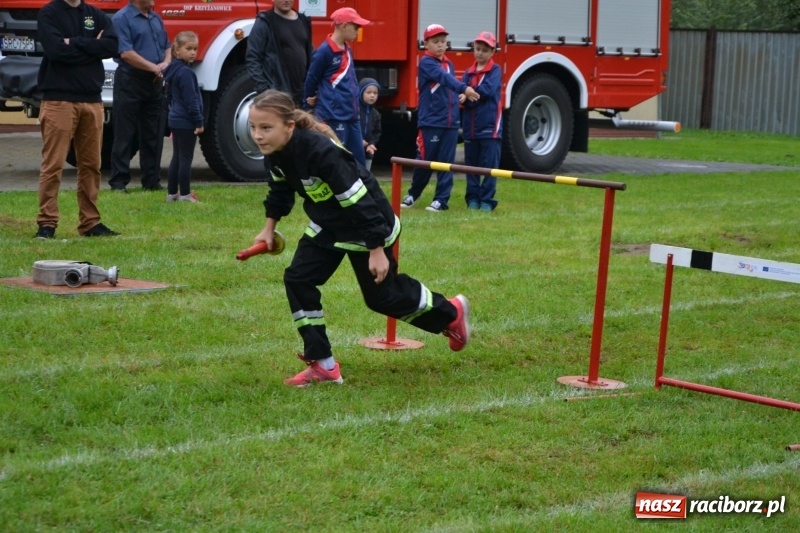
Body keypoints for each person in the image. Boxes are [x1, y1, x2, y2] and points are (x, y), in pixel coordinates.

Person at [248, 90, 471, 387]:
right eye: (253, 127)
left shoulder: (320, 152)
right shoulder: (274, 154)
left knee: (382, 298)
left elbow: (358, 199)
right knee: (297, 279)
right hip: (329, 224)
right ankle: (323, 364)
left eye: (266, 128)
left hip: (368, 223)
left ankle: (451, 312)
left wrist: (375, 249)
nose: (258, 136)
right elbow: (279, 191)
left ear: (289, 126)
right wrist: (268, 227)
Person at [34, 0, 120, 238]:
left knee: (91, 165)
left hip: (92, 100)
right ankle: (47, 223)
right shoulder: (49, 13)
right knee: (53, 165)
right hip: (58, 100)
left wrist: (75, 42)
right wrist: (93, 46)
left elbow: (112, 46)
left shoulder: (95, 14)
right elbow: (55, 51)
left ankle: (90, 223)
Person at [401, 24, 479, 212]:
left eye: (443, 42)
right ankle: (413, 194)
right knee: (424, 160)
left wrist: (458, 97)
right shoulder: (427, 63)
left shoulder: (449, 63)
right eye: (435, 42)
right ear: (426, 43)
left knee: (446, 163)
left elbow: (447, 87)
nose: (440, 45)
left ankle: (441, 200)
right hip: (431, 121)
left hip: (450, 123)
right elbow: (444, 79)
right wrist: (464, 89)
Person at [108, 0, 171, 192]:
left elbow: (167, 46)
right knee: (124, 133)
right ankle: (118, 183)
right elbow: (126, 53)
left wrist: (166, 63)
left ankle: (151, 180)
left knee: (153, 133)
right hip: (130, 80)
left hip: (154, 83)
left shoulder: (155, 17)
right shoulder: (122, 18)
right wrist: (154, 67)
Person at [303, 7, 368, 167]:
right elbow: (311, 79)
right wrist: (308, 103)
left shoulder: (348, 49)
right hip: (334, 116)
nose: (358, 31)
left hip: (352, 116)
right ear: (344, 26)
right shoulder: (324, 51)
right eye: (356, 27)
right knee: (337, 161)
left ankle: (366, 190)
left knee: (359, 161)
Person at [461, 31, 502, 212]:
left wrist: (468, 94)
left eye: (485, 50)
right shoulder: (468, 73)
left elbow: (487, 91)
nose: (480, 53)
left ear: (492, 52)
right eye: (478, 49)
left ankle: (486, 199)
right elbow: (461, 94)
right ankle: (473, 198)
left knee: (489, 166)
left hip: (489, 127)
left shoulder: (495, 70)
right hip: (470, 127)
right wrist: (465, 95)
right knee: (471, 165)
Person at [245, 0, 313, 109]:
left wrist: (311, 88)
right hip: (277, 95)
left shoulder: (303, 20)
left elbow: (309, 54)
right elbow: (253, 59)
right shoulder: (265, 21)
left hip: (301, 95)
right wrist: (265, 91)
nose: (286, 0)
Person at [163, 31, 204, 203]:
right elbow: (192, 100)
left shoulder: (171, 70)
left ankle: (172, 193)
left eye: (195, 49)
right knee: (186, 157)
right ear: (177, 50)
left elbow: (170, 96)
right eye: (188, 48)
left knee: (177, 156)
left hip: (174, 118)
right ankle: (186, 194)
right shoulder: (187, 73)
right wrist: (199, 121)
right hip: (186, 120)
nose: (193, 52)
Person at [358, 78, 382, 171]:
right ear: (360, 93)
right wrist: (358, 140)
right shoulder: (354, 111)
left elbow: (377, 132)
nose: (372, 95)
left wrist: (371, 144)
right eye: (369, 92)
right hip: (354, 150)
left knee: (366, 175)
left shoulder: (376, 114)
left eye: (375, 93)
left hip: (368, 151)